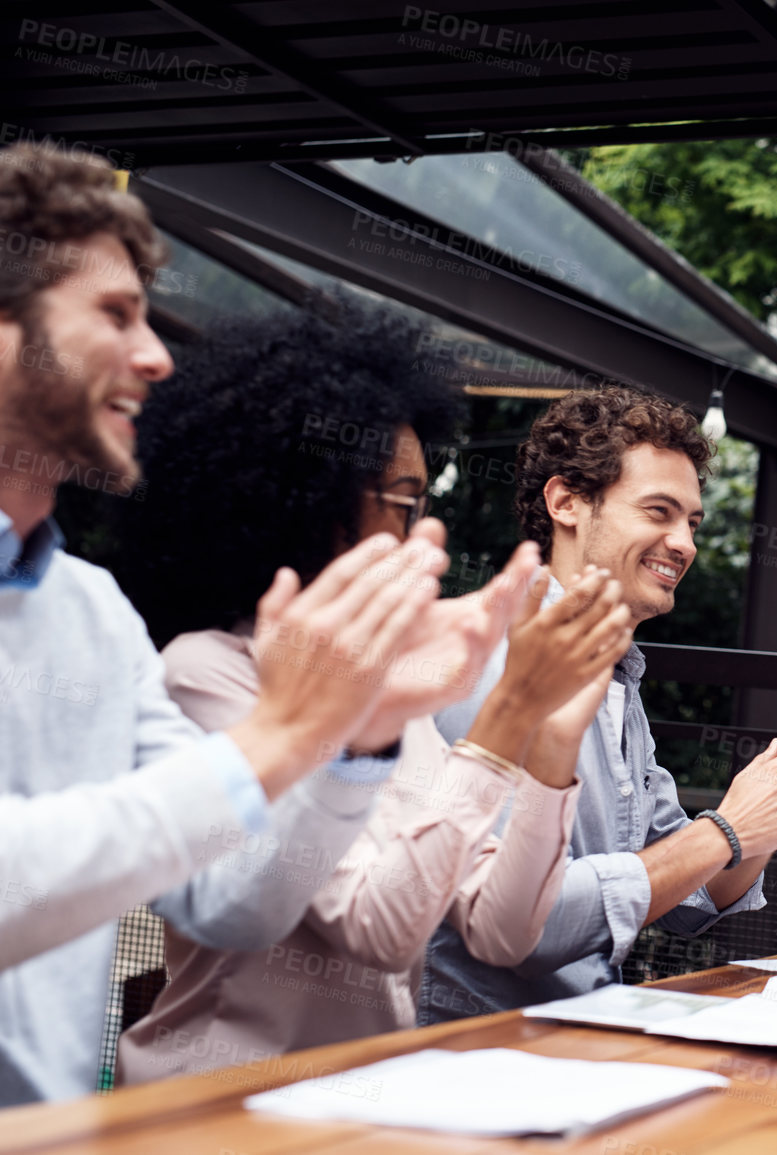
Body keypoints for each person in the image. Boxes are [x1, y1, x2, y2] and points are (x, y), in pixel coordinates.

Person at [0, 142, 498, 1105]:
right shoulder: (189, 657)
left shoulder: (97, 618)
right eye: (114, 314)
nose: (154, 356)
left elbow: (229, 903)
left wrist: (354, 745)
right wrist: (287, 735)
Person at [103, 307, 633, 1083]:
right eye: (404, 502)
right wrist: (506, 715)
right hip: (216, 1111)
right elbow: (376, 928)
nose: (424, 533)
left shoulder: (386, 684)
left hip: (358, 1100)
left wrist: (550, 747)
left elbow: (502, 930)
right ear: (309, 502)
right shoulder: (210, 674)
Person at [420, 385, 777, 1021]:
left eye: (692, 522)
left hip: (575, 1035)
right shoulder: (485, 664)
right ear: (566, 502)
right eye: (658, 512)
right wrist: (731, 829)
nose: (685, 542)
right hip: (465, 1053)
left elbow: (684, 893)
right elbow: (525, 927)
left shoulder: (616, 668)